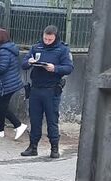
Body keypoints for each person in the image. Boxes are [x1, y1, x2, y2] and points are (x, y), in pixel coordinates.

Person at [21, 25, 73, 158]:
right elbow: (23, 63)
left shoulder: (62, 50)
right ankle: (33, 147)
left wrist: (55, 68)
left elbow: (68, 68)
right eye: (45, 38)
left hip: (52, 90)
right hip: (36, 89)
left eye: (50, 40)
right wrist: (29, 62)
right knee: (35, 119)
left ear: (55, 38)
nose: (47, 41)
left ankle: (54, 147)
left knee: (52, 119)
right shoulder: (36, 47)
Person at [0, 28, 27, 140]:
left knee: (1, 106)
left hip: (6, 84)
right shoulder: (6, 49)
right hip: (7, 82)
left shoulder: (3, 51)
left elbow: (2, 68)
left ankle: (18, 125)